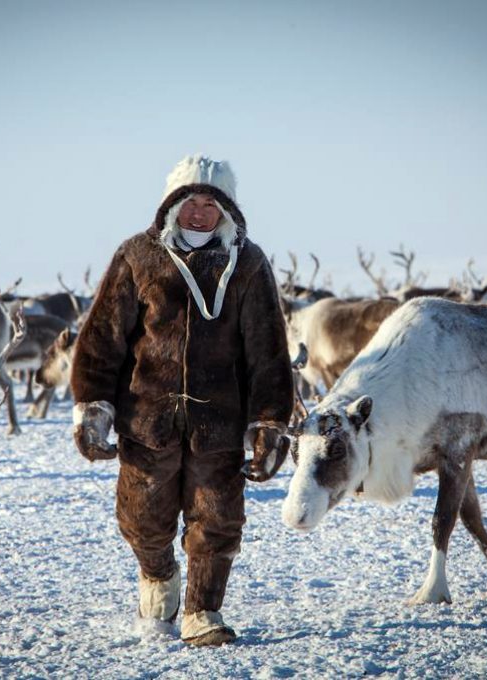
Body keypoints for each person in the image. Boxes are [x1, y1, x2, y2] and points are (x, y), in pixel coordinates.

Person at [71, 154, 294, 646]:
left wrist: (270, 421)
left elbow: (268, 350)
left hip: (219, 424)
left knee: (217, 521)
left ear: (226, 209)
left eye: (210, 203)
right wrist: (92, 405)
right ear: (171, 205)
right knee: (142, 519)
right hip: (146, 420)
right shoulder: (137, 256)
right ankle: (158, 579)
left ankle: (202, 611)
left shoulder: (249, 263)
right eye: (189, 202)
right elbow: (103, 337)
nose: (198, 213)